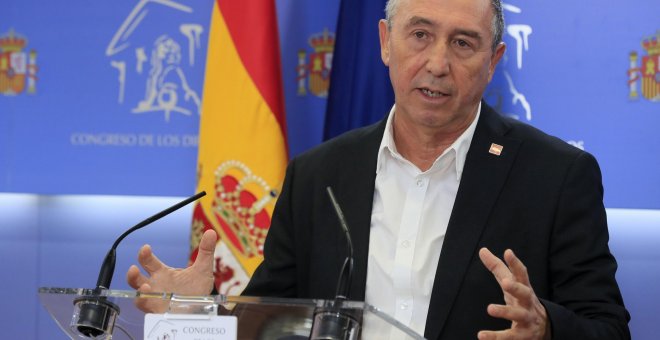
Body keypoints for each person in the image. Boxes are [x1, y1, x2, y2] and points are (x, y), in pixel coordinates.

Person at [127, 0, 631, 338]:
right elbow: (273, 321)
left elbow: (608, 327)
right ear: (386, 41)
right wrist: (201, 311)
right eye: (420, 35)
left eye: (463, 43)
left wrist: (545, 326)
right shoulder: (318, 174)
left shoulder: (556, 176)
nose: (437, 62)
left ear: (494, 59)